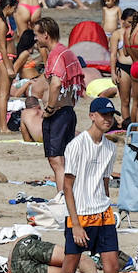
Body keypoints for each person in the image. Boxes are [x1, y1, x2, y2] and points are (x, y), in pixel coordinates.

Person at [45, 97, 121, 273]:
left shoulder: (111, 147)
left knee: (112, 268)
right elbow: (68, 186)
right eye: (103, 115)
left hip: (103, 213)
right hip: (81, 215)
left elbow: (105, 181)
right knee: (67, 270)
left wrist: (110, 207)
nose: (108, 120)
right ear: (92, 116)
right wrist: (75, 224)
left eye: (111, 116)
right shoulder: (77, 145)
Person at [35, 17, 85, 191]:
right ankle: (65, 197)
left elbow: (56, 83)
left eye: (37, 35)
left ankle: (63, 198)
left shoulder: (56, 54)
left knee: (56, 160)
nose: (35, 39)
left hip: (58, 114)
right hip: (67, 112)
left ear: (46, 35)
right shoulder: (66, 52)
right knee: (62, 159)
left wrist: (49, 108)